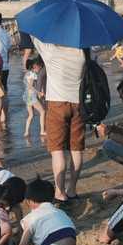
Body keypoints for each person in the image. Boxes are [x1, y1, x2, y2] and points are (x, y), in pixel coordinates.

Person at [31, 36, 86, 203]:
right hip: (78, 103)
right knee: (76, 150)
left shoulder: (51, 51)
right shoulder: (81, 52)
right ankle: (72, 190)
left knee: (58, 151)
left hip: (56, 104)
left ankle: (59, 192)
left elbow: (34, 35)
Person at [23, 58, 47, 137]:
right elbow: (30, 86)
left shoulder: (27, 74)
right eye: (39, 67)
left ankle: (26, 132)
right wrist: (39, 92)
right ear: (35, 66)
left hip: (27, 97)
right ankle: (42, 131)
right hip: (32, 96)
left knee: (31, 115)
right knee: (43, 112)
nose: (39, 69)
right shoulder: (32, 74)